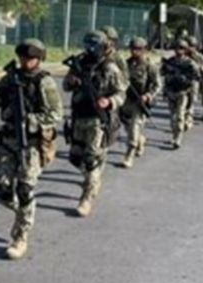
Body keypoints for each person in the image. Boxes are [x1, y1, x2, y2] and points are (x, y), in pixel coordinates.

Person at [0, 39, 62, 259]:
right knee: (1, 189)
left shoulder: (44, 82)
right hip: (9, 140)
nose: (25, 61)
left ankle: (20, 237)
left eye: (30, 58)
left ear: (39, 59)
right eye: (23, 57)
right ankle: (24, 210)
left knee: (25, 189)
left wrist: (29, 120)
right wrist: (5, 91)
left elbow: (54, 114)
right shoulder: (11, 77)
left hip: (32, 143)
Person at [62, 30, 125, 217]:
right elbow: (66, 86)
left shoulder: (110, 68)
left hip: (98, 120)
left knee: (91, 161)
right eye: (87, 45)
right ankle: (94, 179)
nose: (90, 49)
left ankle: (86, 198)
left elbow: (121, 93)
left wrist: (109, 101)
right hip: (79, 117)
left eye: (94, 46)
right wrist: (72, 81)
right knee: (75, 157)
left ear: (104, 47)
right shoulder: (79, 64)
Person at [120, 37, 160, 168]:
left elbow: (157, 84)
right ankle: (140, 140)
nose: (134, 51)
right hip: (126, 100)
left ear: (144, 50)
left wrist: (148, 95)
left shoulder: (149, 66)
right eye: (132, 49)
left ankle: (129, 155)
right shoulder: (125, 64)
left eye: (138, 49)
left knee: (134, 127)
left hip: (139, 102)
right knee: (127, 125)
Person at [161, 39, 201, 149]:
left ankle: (177, 138)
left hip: (183, 93)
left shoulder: (190, 63)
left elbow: (196, 77)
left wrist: (185, 80)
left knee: (179, 116)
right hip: (171, 92)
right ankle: (174, 134)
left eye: (182, 48)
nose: (179, 50)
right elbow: (162, 73)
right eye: (177, 48)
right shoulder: (170, 62)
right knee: (172, 117)